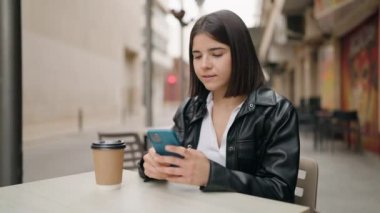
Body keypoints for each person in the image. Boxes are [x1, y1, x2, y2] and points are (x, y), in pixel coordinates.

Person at [138, 10, 300, 203]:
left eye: (216, 54)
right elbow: (171, 157)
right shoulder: (191, 109)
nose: (204, 65)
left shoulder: (276, 112)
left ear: (241, 54)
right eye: (197, 56)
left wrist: (211, 175)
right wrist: (150, 165)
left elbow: (281, 192)